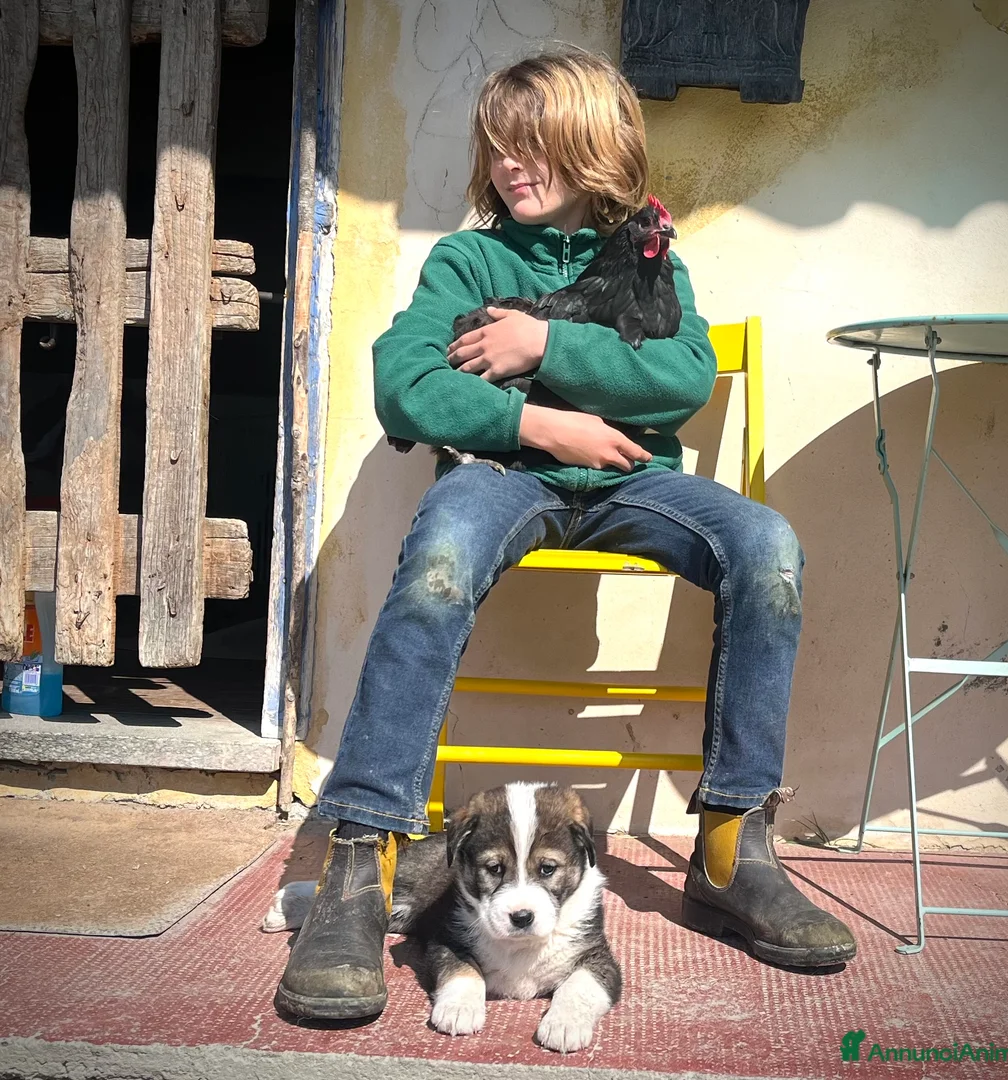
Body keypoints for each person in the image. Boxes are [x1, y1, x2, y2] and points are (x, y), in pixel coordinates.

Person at [275, 47, 855, 1022]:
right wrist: (541, 423)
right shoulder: (468, 261)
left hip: (635, 485)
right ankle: (359, 865)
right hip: (504, 477)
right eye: (500, 148)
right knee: (439, 563)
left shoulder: (643, 253)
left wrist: (539, 347)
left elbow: (680, 373)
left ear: (594, 144)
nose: (512, 166)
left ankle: (732, 848)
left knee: (770, 549)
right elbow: (405, 387)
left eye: (535, 145)